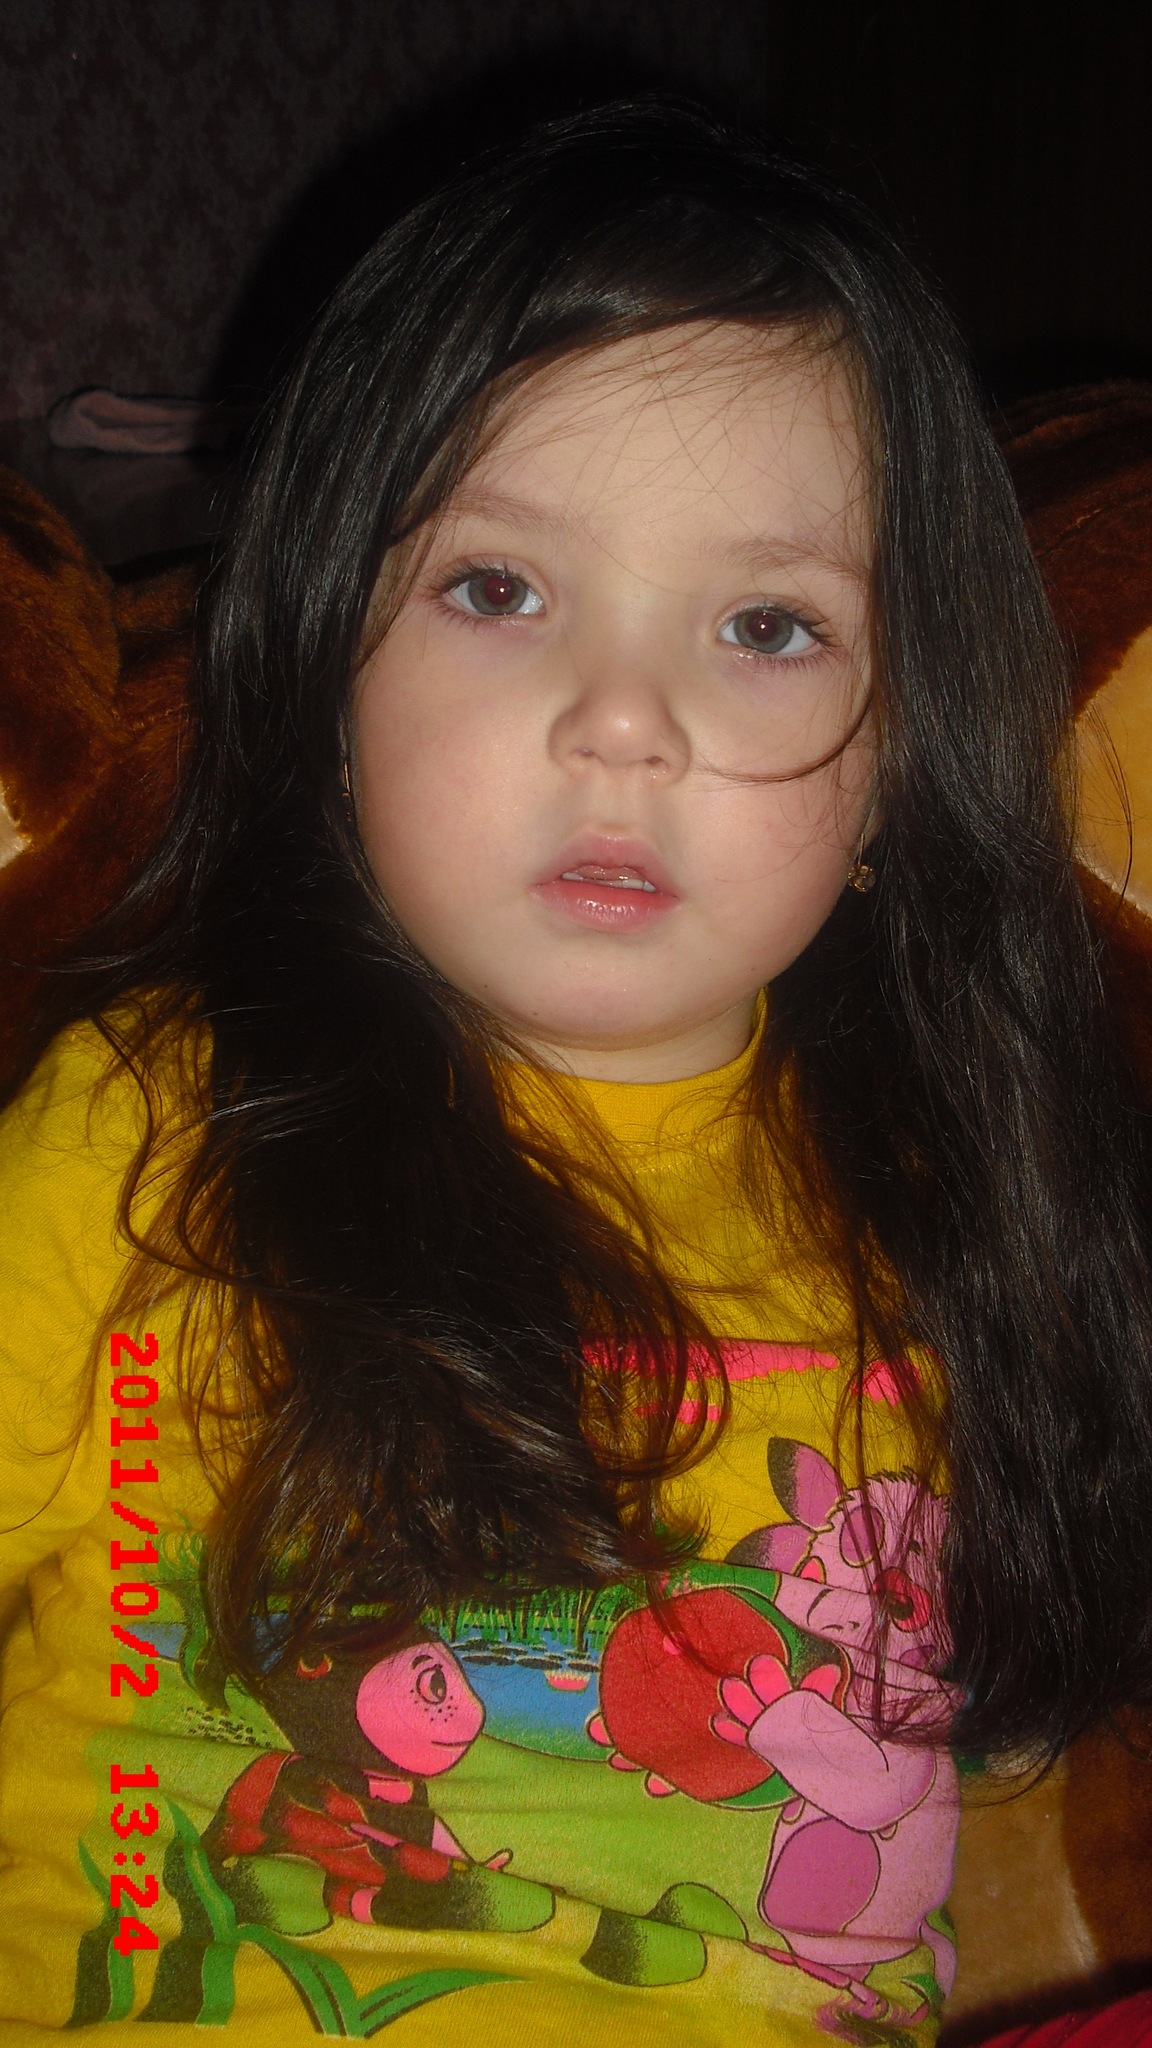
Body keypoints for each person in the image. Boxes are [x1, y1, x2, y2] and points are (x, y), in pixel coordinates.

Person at [2, 100, 1151, 2048]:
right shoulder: (152, 1128)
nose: (624, 721)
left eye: (767, 626)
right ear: (328, 662)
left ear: (904, 752)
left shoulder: (977, 1185)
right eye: (500, 590)